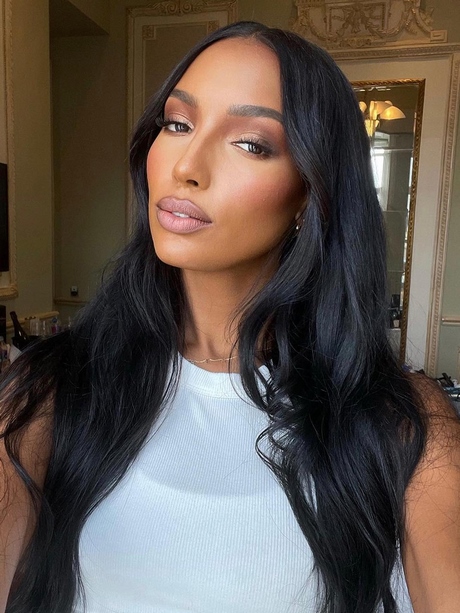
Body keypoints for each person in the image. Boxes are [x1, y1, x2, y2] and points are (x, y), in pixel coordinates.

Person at [1, 20, 459, 613]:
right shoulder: (51, 392)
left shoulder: (404, 423)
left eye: (250, 143)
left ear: (310, 192)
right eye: (177, 123)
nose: (187, 165)